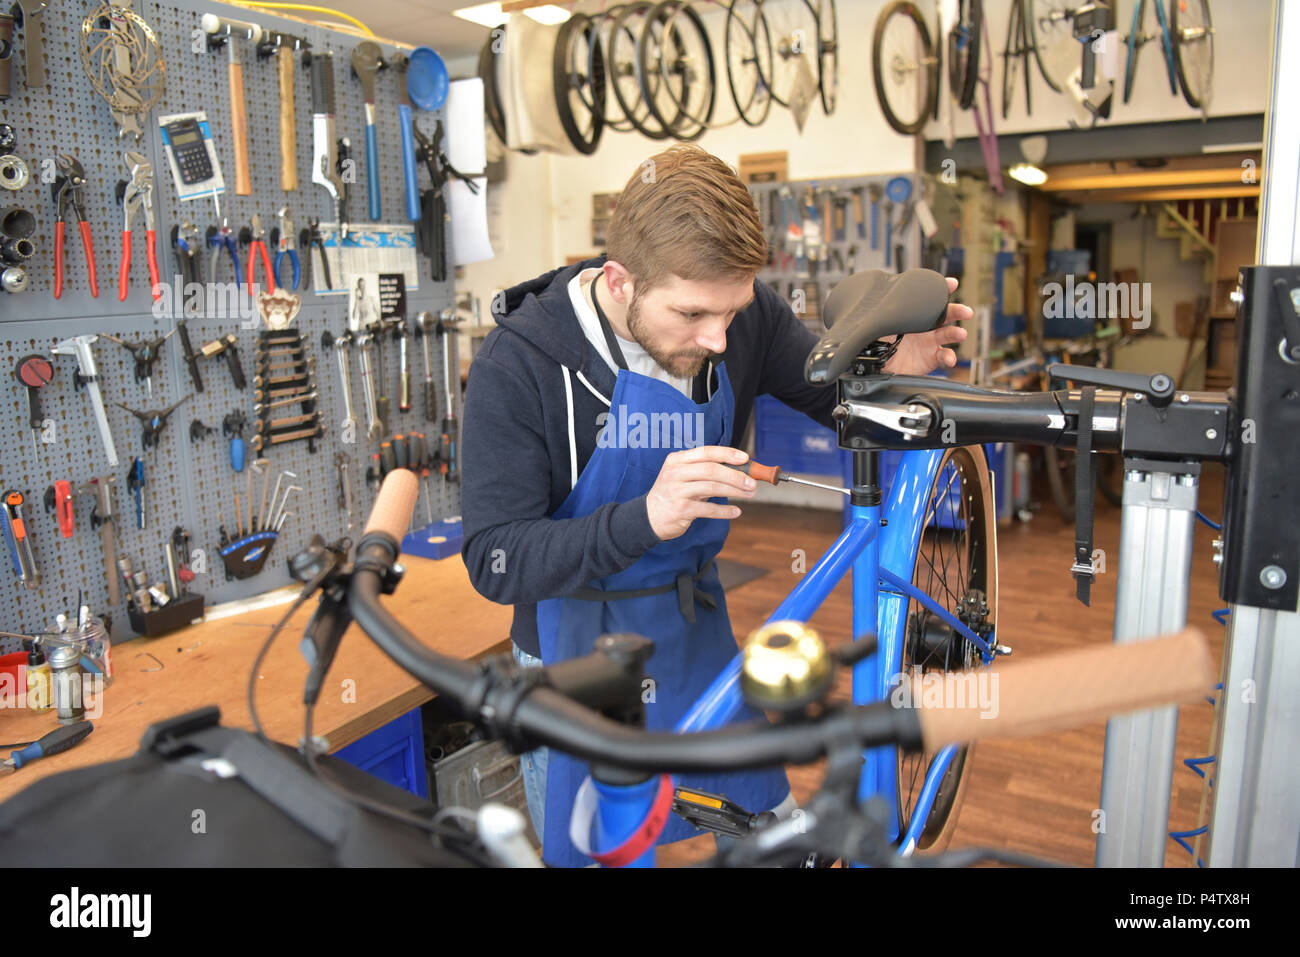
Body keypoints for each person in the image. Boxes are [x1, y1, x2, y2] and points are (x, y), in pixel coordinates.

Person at [461, 146, 970, 866]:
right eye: (693, 313)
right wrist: (645, 515)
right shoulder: (519, 365)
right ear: (619, 280)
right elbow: (496, 560)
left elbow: (831, 399)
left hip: (694, 632)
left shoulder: (745, 314)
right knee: (602, 850)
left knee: (771, 839)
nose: (719, 339)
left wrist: (885, 376)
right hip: (575, 663)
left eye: (731, 311)